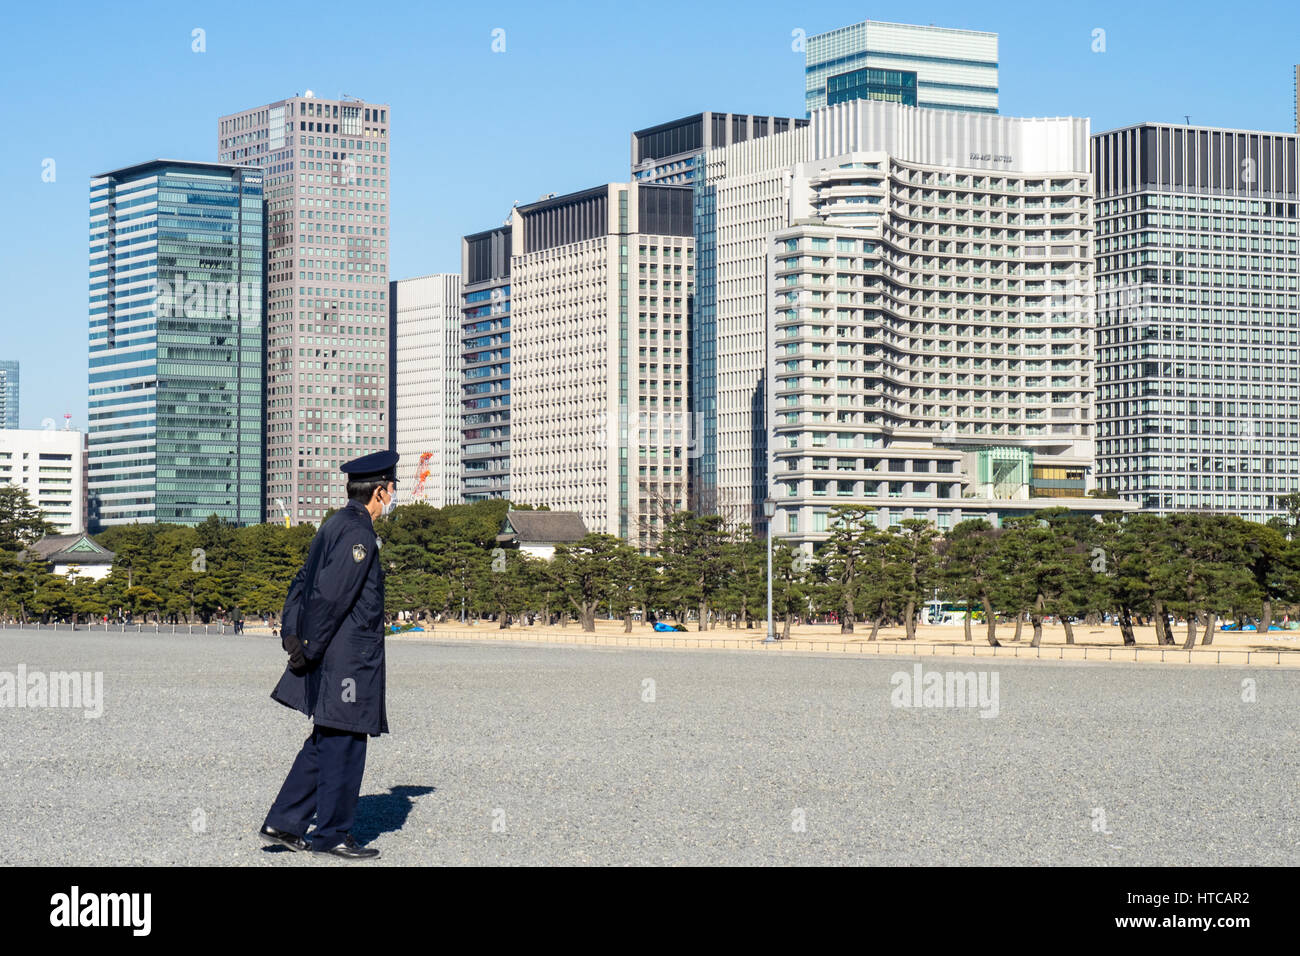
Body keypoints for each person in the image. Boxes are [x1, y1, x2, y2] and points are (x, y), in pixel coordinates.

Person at [259, 450, 398, 861]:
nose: (391, 496)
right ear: (379, 491)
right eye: (390, 489)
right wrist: (308, 648)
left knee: (325, 741)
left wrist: (292, 634)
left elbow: (301, 581)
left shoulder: (334, 524)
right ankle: (333, 834)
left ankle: (284, 822)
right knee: (345, 744)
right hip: (347, 659)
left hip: (330, 654)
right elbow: (331, 597)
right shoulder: (358, 534)